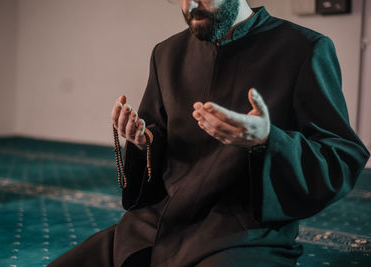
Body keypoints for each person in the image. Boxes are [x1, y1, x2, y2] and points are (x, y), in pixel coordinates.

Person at [49, 0, 370, 266]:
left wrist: (267, 140)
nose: (190, 6)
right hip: (157, 225)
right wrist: (144, 140)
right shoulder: (166, 54)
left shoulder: (304, 49)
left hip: (240, 233)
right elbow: (157, 135)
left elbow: (341, 154)